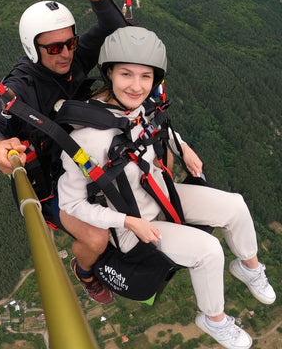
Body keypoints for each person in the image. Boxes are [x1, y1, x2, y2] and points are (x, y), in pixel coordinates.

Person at [57, 26, 276, 349]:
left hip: (162, 195)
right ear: (109, 74)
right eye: (126, 74)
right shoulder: (85, 139)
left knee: (236, 205)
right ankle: (213, 319)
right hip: (134, 226)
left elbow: (158, 128)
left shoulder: (140, 107)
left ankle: (249, 266)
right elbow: (71, 205)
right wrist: (127, 222)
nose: (136, 85)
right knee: (208, 251)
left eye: (146, 77)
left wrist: (182, 147)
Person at [0, 0, 129, 304]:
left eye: (70, 43)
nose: (67, 53)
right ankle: (85, 273)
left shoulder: (70, 59)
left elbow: (115, 28)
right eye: (54, 48)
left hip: (85, 158)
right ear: (34, 49)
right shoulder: (21, 86)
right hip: (53, 181)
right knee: (97, 240)